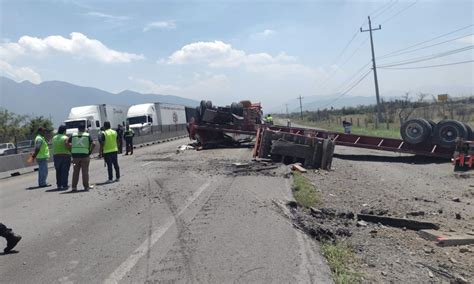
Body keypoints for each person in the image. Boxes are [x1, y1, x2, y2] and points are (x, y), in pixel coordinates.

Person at [67, 124, 95, 191]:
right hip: (85, 156)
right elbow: (94, 144)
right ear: (84, 129)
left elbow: (66, 142)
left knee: (75, 172)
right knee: (85, 171)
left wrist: (71, 150)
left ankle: (74, 187)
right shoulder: (87, 135)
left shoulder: (73, 135)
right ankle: (86, 187)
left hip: (75, 157)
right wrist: (90, 152)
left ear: (78, 129)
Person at [52, 125, 71, 190]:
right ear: (64, 131)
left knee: (58, 171)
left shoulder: (54, 137)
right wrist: (71, 149)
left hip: (56, 156)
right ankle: (64, 185)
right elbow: (67, 145)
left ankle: (59, 185)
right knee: (65, 171)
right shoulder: (65, 137)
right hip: (65, 156)